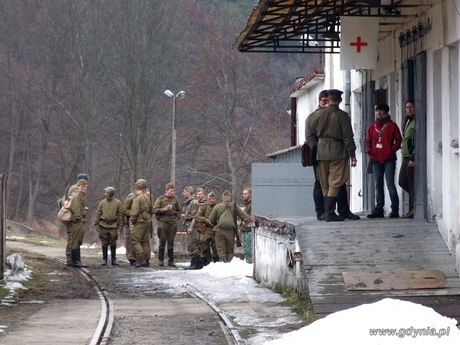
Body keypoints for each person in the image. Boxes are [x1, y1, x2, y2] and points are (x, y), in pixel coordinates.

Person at [305, 91, 360, 221]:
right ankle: (329, 212)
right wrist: (352, 154)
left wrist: (316, 149)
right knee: (336, 182)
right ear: (340, 100)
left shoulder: (315, 115)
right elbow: (348, 137)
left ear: (328, 100)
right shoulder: (343, 116)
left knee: (324, 183)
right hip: (338, 152)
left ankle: (329, 212)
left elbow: (309, 132)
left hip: (321, 153)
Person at [366, 103, 403, 218]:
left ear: (386, 112)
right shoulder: (372, 127)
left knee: (390, 184)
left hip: (389, 159)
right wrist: (370, 150)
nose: (379, 113)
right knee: (378, 184)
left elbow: (398, 140)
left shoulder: (392, 126)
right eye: (377, 111)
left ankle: (395, 208)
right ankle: (379, 208)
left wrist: (391, 150)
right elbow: (368, 140)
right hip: (376, 158)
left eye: (381, 111)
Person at [209, 190, 251, 263]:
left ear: (223, 198)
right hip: (230, 232)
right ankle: (229, 265)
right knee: (230, 250)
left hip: (219, 231)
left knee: (221, 250)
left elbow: (211, 220)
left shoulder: (217, 207)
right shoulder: (234, 206)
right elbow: (244, 217)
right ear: (230, 198)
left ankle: (222, 264)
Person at [63, 173, 89, 266]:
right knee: (74, 239)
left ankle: (71, 259)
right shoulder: (76, 191)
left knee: (73, 239)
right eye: (84, 184)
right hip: (75, 220)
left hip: (73, 218)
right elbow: (75, 206)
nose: (86, 186)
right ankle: (73, 259)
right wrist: (80, 217)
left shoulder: (71, 188)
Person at [153, 183, 181, 267]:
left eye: (173, 191)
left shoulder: (175, 200)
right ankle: (161, 260)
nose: (172, 192)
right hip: (163, 221)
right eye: (171, 191)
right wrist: (164, 209)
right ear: (166, 190)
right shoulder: (160, 199)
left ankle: (171, 260)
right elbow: (155, 210)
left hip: (172, 222)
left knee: (171, 242)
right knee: (162, 240)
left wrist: (177, 219)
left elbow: (179, 211)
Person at [94, 187, 123, 266]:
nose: (105, 194)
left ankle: (113, 259)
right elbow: (98, 214)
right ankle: (104, 259)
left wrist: (120, 225)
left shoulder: (117, 203)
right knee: (104, 242)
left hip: (113, 225)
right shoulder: (102, 203)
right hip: (103, 225)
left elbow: (120, 215)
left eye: (107, 193)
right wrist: (96, 224)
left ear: (110, 194)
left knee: (113, 242)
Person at [398, 99, 416, 219]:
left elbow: (416, 141)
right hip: (405, 155)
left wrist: (413, 157)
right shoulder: (407, 121)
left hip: (410, 156)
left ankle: (415, 207)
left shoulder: (416, 122)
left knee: (410, 182)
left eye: (411, 107)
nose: (409, 109)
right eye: (407, 107)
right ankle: (415, 203)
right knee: (402, 181)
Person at [130, 179, 152, 268]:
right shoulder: (147, 197)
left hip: (140, 221)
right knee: (144, 241)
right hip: (147, 221)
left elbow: (135, 212)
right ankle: (146, 259)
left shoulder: (137, 198)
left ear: (135, 190)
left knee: (135, 240)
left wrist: (133, 221)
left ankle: (141, 259)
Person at [196, 191, 218, 265]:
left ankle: (216, 263)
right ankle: (204, 263)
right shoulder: (203, 207)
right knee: (203, 245)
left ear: (215, 199)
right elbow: (198, 216)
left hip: (215, 229)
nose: (211, 200)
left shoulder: (218, 207)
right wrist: (207, 220)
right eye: (210, 198)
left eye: (213, 198)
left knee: (215, 248)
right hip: (206, 229)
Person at [182, 186, 202, 270]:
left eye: (184, 192)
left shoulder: (194, 203)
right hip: (189, 225)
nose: (183, 193)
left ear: (189, 192)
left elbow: (195, 216)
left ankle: (196, 263)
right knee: (191, 245)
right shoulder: (189, 203)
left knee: (194, 244)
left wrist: (191, 227)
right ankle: (193, 262)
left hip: (193, 227)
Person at [122, 192, 137, 266]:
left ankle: (135, 257)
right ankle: (131, 258)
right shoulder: (129, 200)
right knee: (129, 241)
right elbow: (124, 211)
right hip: (128, 223)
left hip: (136, 223)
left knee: (135, 240)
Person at [239, 187, 253, 264]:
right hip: (244, 228)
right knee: (246, 249)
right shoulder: (246, 203)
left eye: (245, 194)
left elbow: (251, 217)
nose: (243, 195)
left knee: (248, 249)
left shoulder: (251, 204)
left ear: (250, 194)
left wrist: (243, 212)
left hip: (249, 229)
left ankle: (250, 263)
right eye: (243, 194)